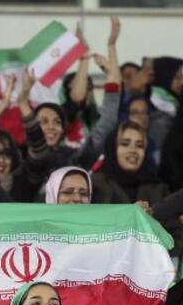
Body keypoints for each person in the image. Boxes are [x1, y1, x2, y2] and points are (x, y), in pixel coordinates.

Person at [15, 16, 122, 201]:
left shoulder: (75, 160)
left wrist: (111, 48)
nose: (51, 126)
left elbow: (107, 123)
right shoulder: (24, 159)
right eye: (43, 121)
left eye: (57, 122)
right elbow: (36, 142)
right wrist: (23, 99)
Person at [96, 122, 183, 254]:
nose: (133, 150)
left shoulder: (158, 188)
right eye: (125, 143)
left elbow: (176, 238)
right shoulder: (96, 184)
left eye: (140, 145)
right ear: (112, 148)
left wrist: (152, 250)